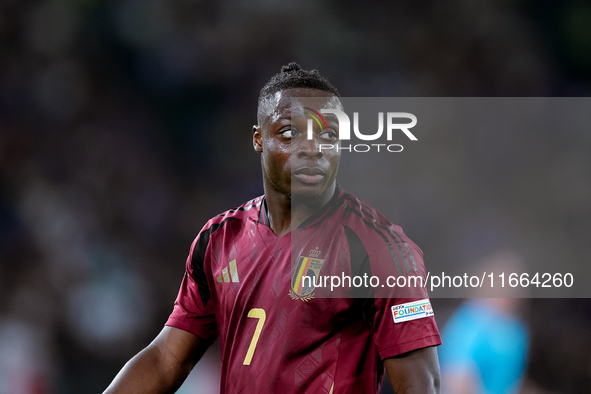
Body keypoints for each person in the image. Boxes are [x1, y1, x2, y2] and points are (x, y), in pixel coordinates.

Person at [103, 63, 441, 394]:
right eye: (290, 132)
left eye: (328, 134)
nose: (312, 148)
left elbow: (421, 385)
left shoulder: (378, 248)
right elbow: (166, 360)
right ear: (259, 139)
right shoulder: (220, 238)